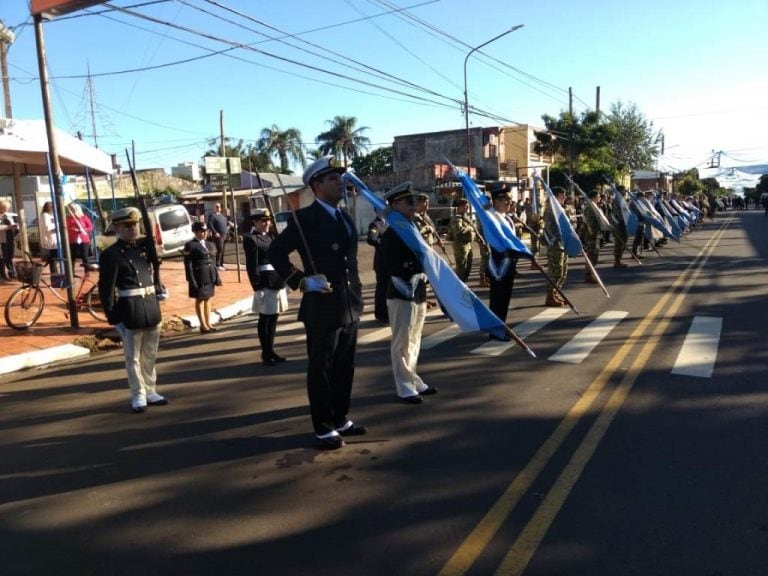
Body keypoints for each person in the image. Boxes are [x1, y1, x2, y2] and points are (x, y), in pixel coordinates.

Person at [267, 155, 366, 450]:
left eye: (340, 178)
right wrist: (300, 280)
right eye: (333, 179)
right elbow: (275, 253)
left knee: (344, 365)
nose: (340, 183)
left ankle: (339, 417)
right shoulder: (305, 218)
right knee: (321, 367)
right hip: (322, 306)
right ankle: (323, 425)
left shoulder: (344, 217)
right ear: (317, 185)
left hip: (348, 302)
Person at [98, 207, 168, 414]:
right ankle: (138, 394)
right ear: (117, 229)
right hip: (130, 309)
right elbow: (106, 288)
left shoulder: (141, 249)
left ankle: (151, 390)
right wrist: (112, 315)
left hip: (150, 307)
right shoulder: (111, 254)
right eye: (127, 226)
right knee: (133, 357)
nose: (132, 229)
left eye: (135, 225)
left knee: (150, 354)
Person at [380, 181, 438, 404]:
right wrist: (417, 268)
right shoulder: (393, 232)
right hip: (401, 290)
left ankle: (413, 379)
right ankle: (404, 387)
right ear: (395, 205)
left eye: (414, 201)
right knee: (402, 342)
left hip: (418, 290)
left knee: (414, 340)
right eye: (408, 201)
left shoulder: (412, 227)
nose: (414, 205)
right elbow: (390, 265)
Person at [244, 209, 289, 366]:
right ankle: (266, 352)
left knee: (274, 318)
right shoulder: (251, 239)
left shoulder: (272, 236)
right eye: (263, 221)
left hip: (277, 280)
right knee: (265, 319)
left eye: (268, 220)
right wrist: (256, 286)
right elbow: (252, 265)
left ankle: (271, 350)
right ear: (255, 222)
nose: (267, 223)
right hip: (265, 282)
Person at [485, 187, 518, 334]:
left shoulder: (508, 218)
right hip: (499, 265)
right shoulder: (492, 218)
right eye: (505, 200)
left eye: (509, 200)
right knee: (498, 299)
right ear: (496, 202)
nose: (508, 203)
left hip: (509, 264)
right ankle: (495, 330)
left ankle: (501, 326)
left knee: (505, 299)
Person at [182, 221, 221, 333]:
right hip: (199, 276)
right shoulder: (190, 245)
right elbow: (188, 264)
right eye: (202, 231)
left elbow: (213, 261)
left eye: (205, 231)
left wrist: (216, 276)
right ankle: (203, 325)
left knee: (208, 298)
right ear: (196, 232)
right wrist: (191, 279)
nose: (205, 233)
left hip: (209, 275)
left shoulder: (210, 244)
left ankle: (208, 323)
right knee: (200, 299)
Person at [543, 187, 568, 307]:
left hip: (563, 244)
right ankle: (550, 296)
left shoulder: (560, 209)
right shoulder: (550, 211)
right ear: (555, 197)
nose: (564, 197)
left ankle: (556, 293)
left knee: (563, 272)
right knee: (555, 272)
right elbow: (552, 229)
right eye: (562, 195)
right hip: (555, 245)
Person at [449, 197, 481, 282]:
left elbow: (473, 227)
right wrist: (469, 228)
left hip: (468, 244)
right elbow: (458, 230)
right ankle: (459, 284)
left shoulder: (465, 217)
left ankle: (464, 281)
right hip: (460, 245)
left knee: (468, 265)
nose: (466, 208)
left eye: (467, 207)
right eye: (464, 207)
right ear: (459, 207)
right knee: (461, 267)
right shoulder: (457, 218)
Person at [366, 209, 389, 324]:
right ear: (376, 211)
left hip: (390, 262)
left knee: (389, 289)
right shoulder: (376, 224)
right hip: (381, 263)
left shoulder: (389, 222)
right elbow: (371, 239)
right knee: (382, 289)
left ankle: (388, 313)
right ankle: (381, 314)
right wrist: (386, 244)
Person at [65, 203, 97, 270]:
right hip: (73, 240)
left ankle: (87, 272)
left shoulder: (84, 217)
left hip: (84, 240)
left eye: (72, 209)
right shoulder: (68, 218)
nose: (71, 211)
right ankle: (71, 273)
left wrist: (82, 229)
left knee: (85, 257)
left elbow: (90, 227)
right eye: (70, 209)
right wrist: (72, 229)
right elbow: (66, 227)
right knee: (72, 257)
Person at [582, 189, 604, 283]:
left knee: (594, 256)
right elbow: (590, 224)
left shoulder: (594, 207)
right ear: (594, 197)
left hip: (596, 235)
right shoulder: (590, 208)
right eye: (598, 196)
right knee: (592, 256)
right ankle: (589, 275)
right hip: (592, 236)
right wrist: (594, 233)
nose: (599, 198)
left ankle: (591, 274)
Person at [39, 201, 60, 274]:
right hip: (50, 238)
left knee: (55, 255)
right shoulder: (45, 215)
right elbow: (47, 227)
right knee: (53, 256)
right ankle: (54, 271)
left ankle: (54, 269)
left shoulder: (51, 215)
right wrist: (57, 227)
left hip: (54, 238)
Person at [611, 186, 630, 268]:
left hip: (623, 223)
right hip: (619, 224)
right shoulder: (617, 201)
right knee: (619, 242)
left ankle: (619, 259)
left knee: (624, 240)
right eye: (623, 190)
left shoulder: (622, 200)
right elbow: (619, 214)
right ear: (619, 191)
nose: (625, 192)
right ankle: (617, 261)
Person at [206, 202, 229, 271]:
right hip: (218, 235)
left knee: (222, 250)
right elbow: (210, 224)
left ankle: (221, 264)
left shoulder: (222, 215)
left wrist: (230, 224)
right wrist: (215, 232)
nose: (218, 208)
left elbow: (226, 222)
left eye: (219, 206)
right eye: (217, 207)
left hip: (224, 235)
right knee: (220, 249)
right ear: (214, 208)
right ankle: (217, 265)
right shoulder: (212, 215)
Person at [0, 199, 18, 280]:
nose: (7, 210)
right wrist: (9, 227)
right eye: (5, 208)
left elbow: (13, 224)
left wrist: (16, 227)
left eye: (7, 208)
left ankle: (12, 273)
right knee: (3, 257)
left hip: (10, 238)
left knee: (10, 257)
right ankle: (3, 275)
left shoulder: (8, 215)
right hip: (2, 240)